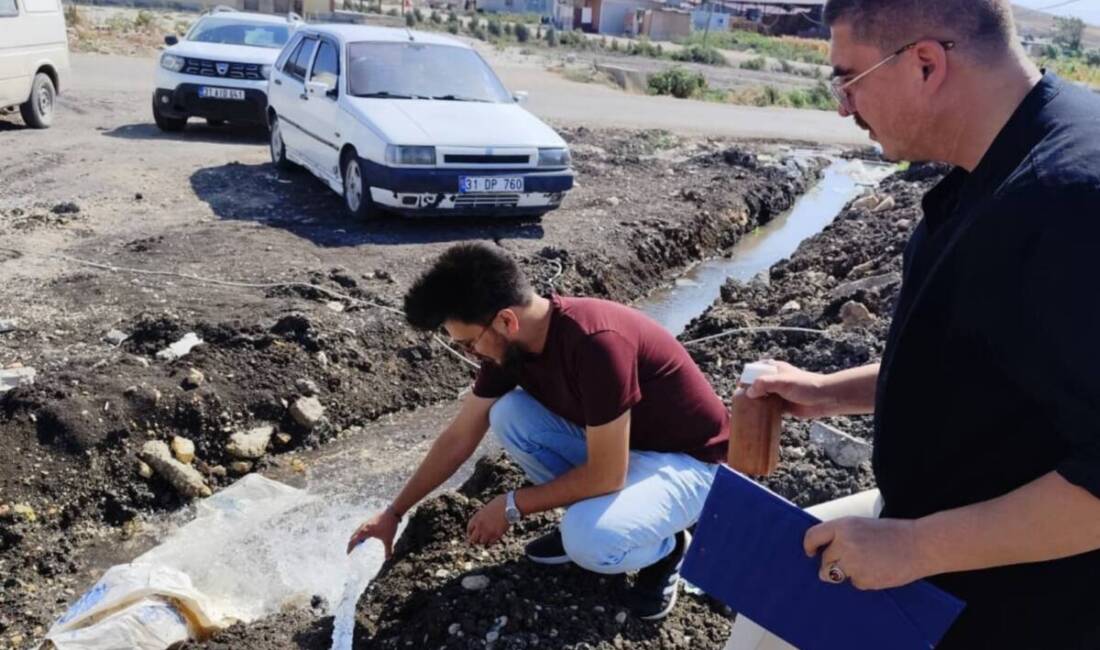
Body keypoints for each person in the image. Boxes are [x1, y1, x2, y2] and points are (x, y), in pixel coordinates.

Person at [733, 0, 1100, 647]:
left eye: (847, 80)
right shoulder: (994, 163)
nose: (842, 108)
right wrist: (826, 393)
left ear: (925, 64)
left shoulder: (1070, 201)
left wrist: (912, 547)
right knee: (759, 612)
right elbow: (980, 363)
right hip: (936, 555)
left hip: (1014, 604)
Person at [347, 243, 730, 620]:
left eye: (469, 344)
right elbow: (459, 436)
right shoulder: (509, 347)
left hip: (693, 465)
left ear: (506, 320)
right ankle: (599, 514)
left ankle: (667, 547)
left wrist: (511, 504)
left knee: (589, 541)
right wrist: (393, 512)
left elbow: (607, 475)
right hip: (627, 450)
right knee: (509, 414)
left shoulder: (596, 344)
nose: (469, 354)